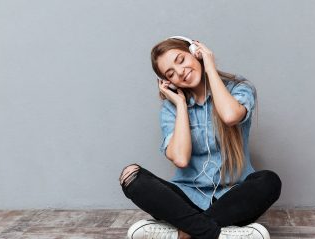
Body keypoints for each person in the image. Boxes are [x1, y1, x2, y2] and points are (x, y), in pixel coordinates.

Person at [119, 36, 282, 239]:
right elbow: (181, 158)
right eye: (171, 73)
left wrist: (209, 67)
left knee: (269, 181)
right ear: (168, 81)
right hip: (186, 201)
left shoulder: (239, 88)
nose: (180, 72)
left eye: (181, 60)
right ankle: (221, 234)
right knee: (132, 176)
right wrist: (180, 105)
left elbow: (230, 116)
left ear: (195, 52)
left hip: (234, 201)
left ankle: (183, 233)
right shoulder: (170, 109)